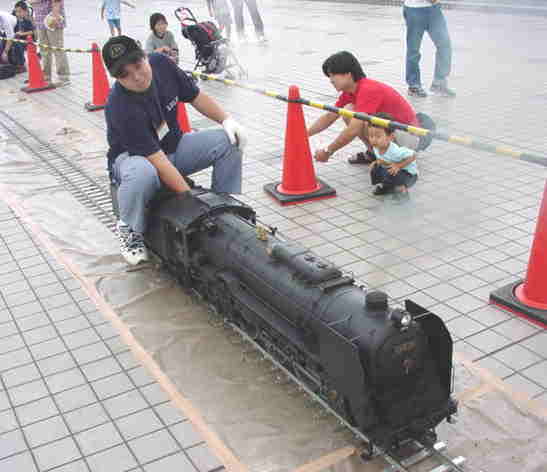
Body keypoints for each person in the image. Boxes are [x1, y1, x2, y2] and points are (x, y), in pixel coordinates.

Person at [102, 36, 245, 265]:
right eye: (124, 75)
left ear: (145, 56)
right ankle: (128, 229)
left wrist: (226, 120)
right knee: (143, 174)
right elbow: (158, 162)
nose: (136, 77)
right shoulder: (119, 106)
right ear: (116, 79)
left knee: (229, 141)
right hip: (135, 159)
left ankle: (225, 209)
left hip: (172, 147)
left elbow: (196, 96)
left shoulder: (162, 64)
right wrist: (196, 204)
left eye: (137, 65)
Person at [308, 51, 420, 166]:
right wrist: (304, 135)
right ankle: (374, 153)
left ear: (348, 74)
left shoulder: (368, 89)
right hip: (392, 132)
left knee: (357, 118)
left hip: (407, 136)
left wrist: (328, 151)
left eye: (333, 75)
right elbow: (329, 116)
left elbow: (353, 129)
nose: (331, 80)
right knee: (350, 111)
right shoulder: (349, 91)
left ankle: (390, 157)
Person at [403, 0, 455, 97]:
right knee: (413, 50)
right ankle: (414, 86)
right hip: (414, 10)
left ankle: (439, 83)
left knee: (445, 46)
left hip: (434, 9)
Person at [368, 113, 418, 195]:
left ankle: (402, 189)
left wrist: (399, 165)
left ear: (390, 137)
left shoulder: (395, 151)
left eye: (378, 136)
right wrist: (377, 162)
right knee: (375, 167)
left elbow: (414, 155)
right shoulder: (376, 147)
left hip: (409, 174)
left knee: (392, 172)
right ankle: (385, 186)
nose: (373, 140)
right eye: (371, 136)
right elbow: (383, 159)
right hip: (393, 168)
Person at [30, 0, 70, 86]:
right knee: (44, 51)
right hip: (40, 20)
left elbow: (57, 2)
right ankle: (46, 76)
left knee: (58, 49)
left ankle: (64, 77)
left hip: (52, 19)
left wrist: (55, 16)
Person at [12, 1, 35, 72]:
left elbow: (32, 31)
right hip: (16, 39)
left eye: (20, 11)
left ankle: (21, 65)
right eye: (16, 12)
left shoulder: (27, 21)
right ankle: (13, 62)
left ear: (25, 12)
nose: (18, 13)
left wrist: (22, 34)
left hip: (26, 40)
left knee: (17, 44)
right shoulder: (14, 19)